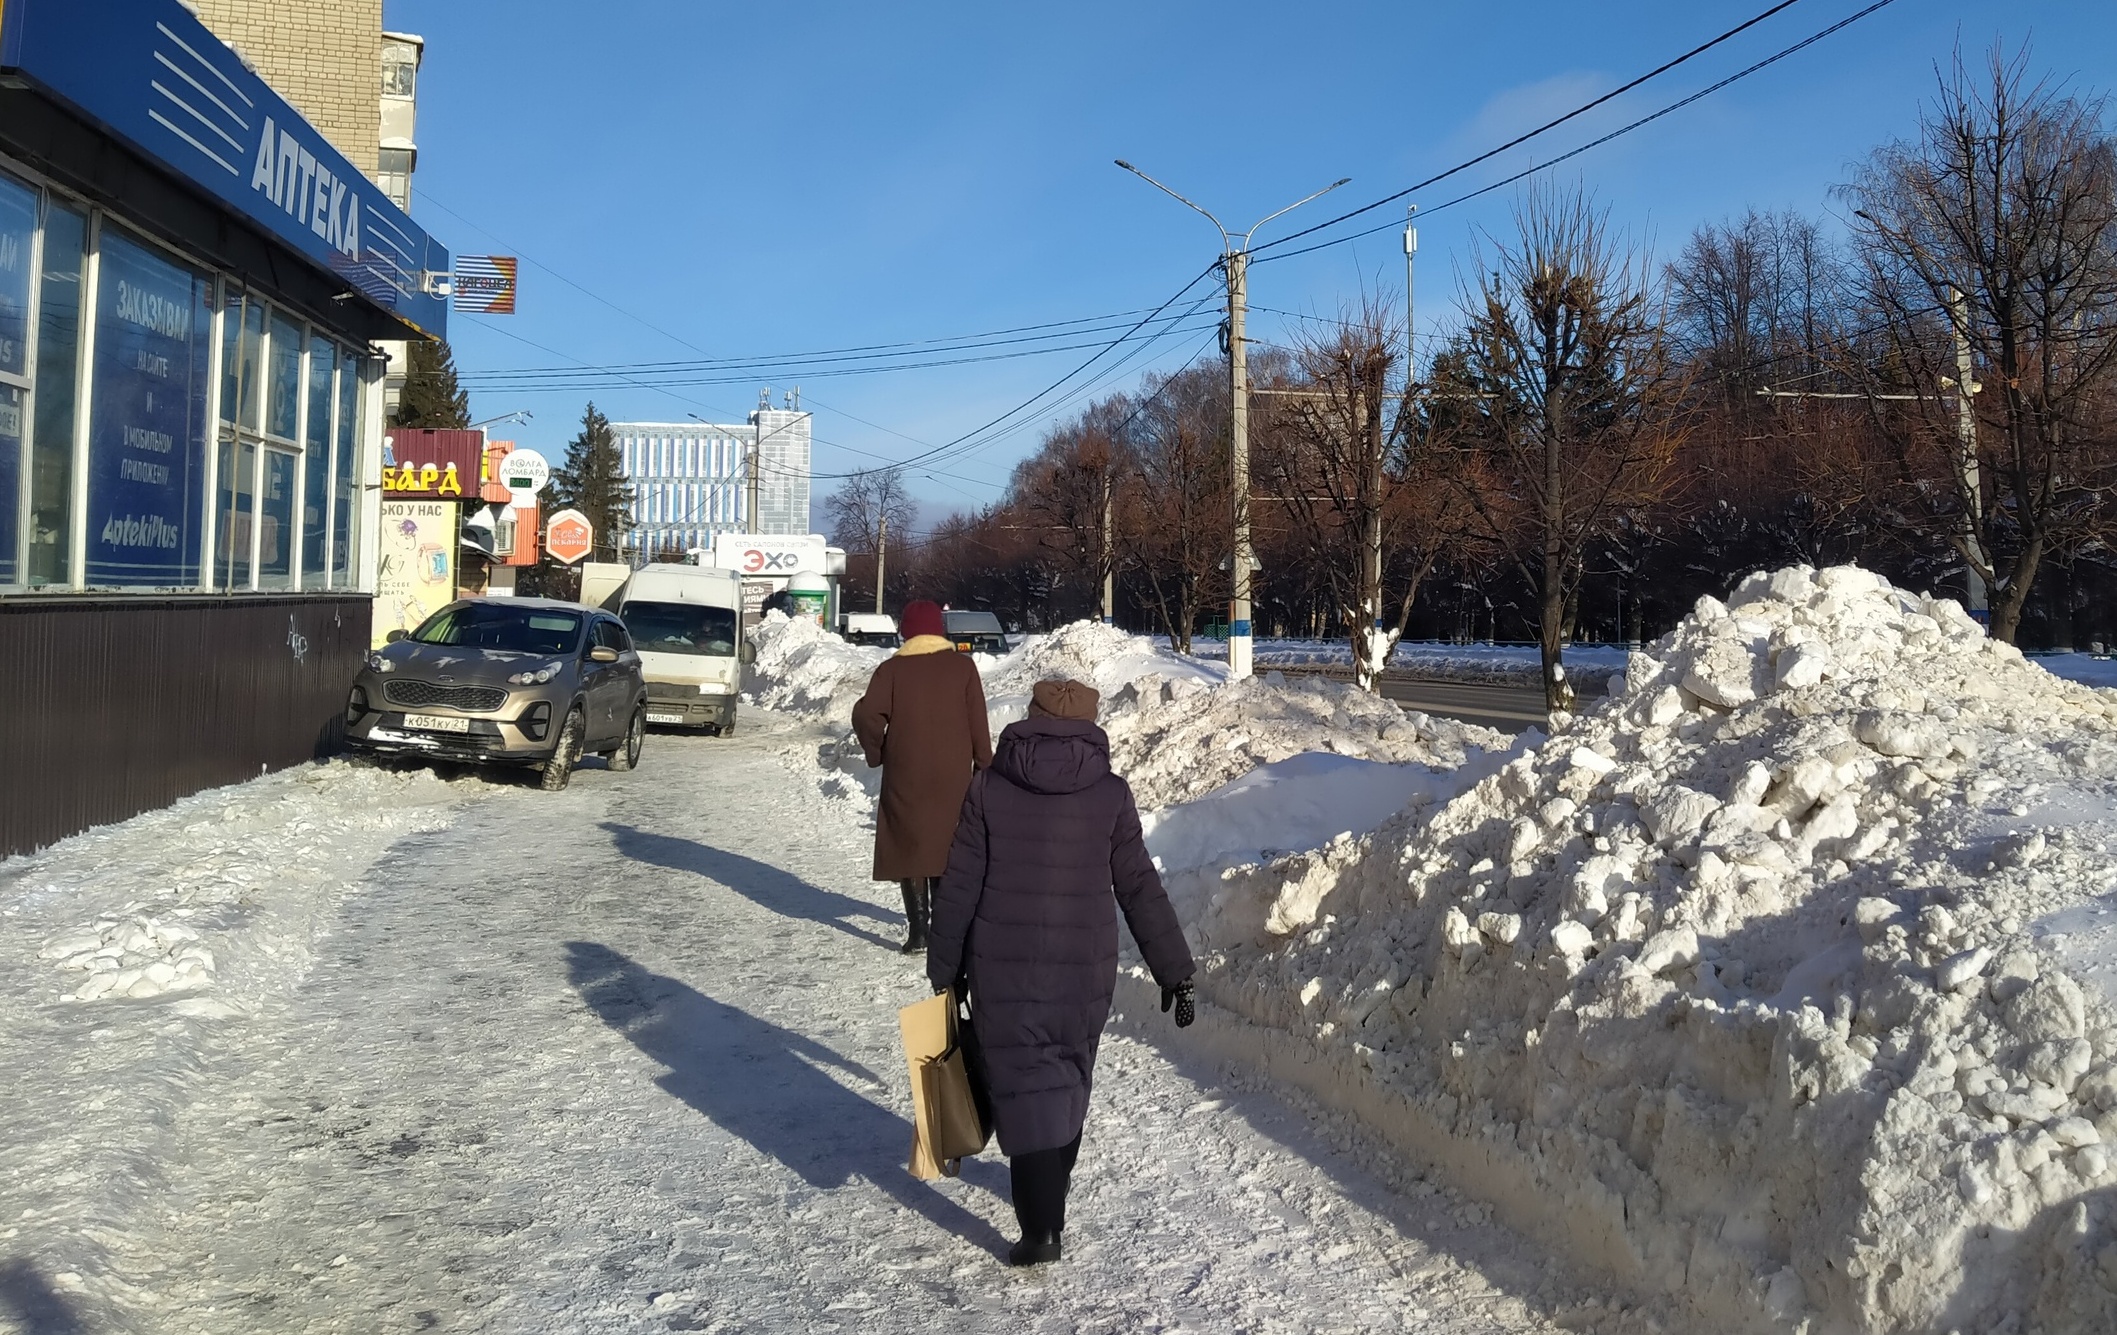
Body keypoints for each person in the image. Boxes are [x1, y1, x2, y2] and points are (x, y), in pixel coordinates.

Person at [925, 677, 1197, 1266]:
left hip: (1003, 971)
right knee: (1067, 1077)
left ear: (1029, 718)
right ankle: (1053, 1188)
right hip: (1083, 974)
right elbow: (1140, 888)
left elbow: (960, 886)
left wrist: (943, 968)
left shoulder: (989, 787)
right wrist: (1176, 972)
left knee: (1023, 1085)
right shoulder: (1110, 795)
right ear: (1093, 728)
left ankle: (1041, 1229)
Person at [851, 600, 992, 954]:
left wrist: (877, 751)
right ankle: (945, 933)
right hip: (953, 777)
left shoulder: (891, 671)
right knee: (946, 849)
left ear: (907, 632)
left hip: (906, 774)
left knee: (910, 848)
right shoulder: (964, 669)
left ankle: (919, 933)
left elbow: (867, 715)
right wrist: (984, 767)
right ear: (939, 630)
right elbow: (978, 724)